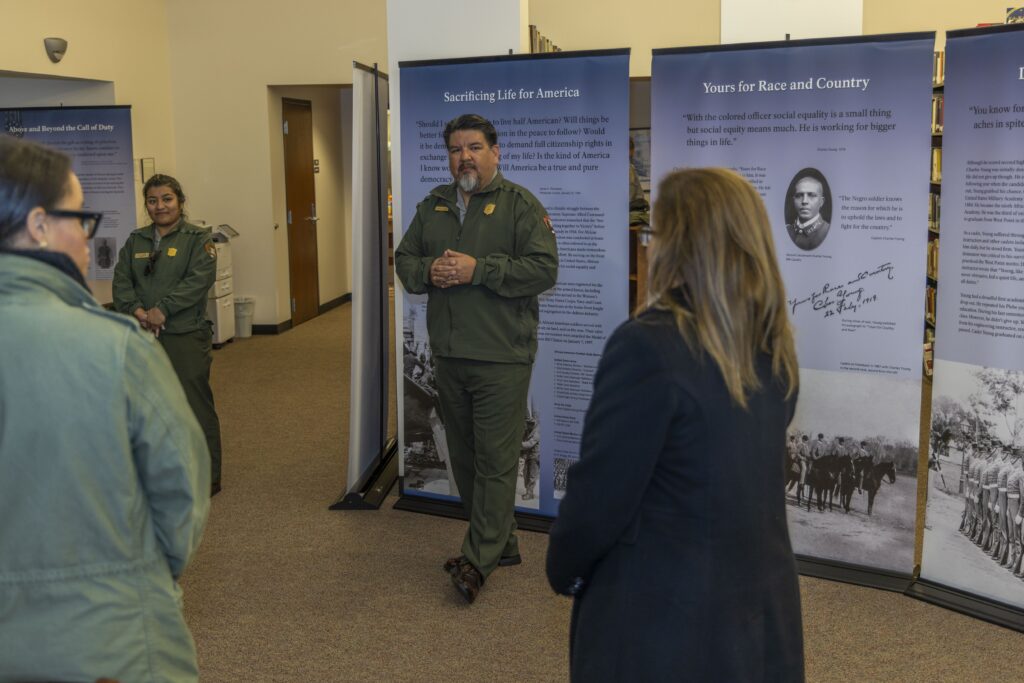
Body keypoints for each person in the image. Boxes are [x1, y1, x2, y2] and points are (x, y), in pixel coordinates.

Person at [546, 168, 803, 681]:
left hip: (663, 624)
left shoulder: (647, 346)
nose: (650, 244)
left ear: (678, 244)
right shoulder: (771, 346)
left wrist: (563, 567)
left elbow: (600, 497)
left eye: (655, 232)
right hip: (758, 614)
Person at [0, 136, 209, 681]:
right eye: (80, 218)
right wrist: (137, 572)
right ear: (41, 226)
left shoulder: (194, 242)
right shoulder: (114, 348)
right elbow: (178, 490)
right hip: (102, 638)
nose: (86, 238)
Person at [394, 113, 558, 603]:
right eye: (455, 149)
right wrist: (431, 271)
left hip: (501, 357)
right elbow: (404, 262)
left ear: (495, 152)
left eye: (474, 147)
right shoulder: (435, 206)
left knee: (495, 460)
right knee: (462, 456)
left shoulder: (519, 205)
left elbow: (544, 269)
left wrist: (477, 270)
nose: (463, 156)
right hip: (449, 353)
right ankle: (501, 542)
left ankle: (477, 559)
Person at [113, 174, 223, 495]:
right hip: (142, 334)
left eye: (166, 199)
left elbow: (198, 280)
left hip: (184, 335)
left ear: (180, 201)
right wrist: (138, 312)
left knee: (194, 405)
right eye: (152, 200)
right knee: (147, 406)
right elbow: (121, 281)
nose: (159, 206)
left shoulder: (197, 239)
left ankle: (208, 475)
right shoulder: (136, 240)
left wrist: (163, 310)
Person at [785, 169, 830, 251]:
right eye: (799, 195)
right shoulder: (787, 231)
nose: (804, 201)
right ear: (793, 200)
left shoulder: (827, 231)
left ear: (821, 202)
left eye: (811, 195)